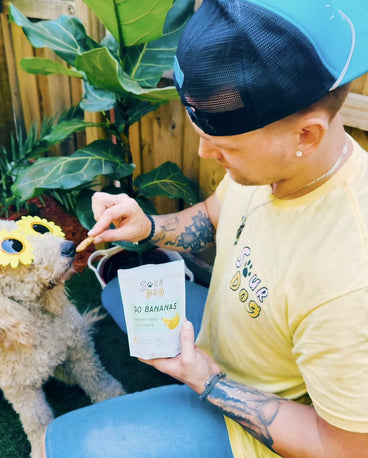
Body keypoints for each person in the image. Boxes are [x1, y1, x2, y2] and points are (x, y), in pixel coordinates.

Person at [43, 1, 368, 457]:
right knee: (117, 293)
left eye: (225, 145)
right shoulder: (281, 160)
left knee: (68, 444)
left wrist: (206, 379)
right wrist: (147, 227)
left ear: (306, 135)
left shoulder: (351, 280)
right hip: (222, 341)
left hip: (256, 426)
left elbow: (345, 448)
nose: (202, 154)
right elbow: (219, 213)